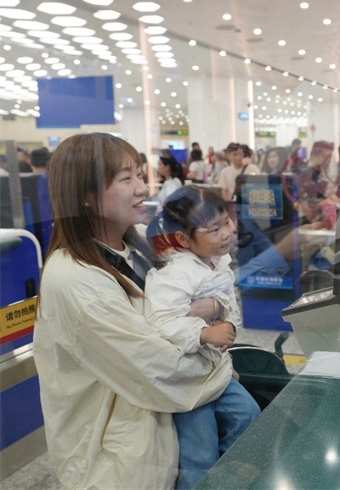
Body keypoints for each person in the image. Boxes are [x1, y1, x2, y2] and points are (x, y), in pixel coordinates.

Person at [33, 133, 232, 489]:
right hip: (121, 466)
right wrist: (218, 357)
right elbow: (161, 372)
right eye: (127, 179)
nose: (143, 188)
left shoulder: (144, 240)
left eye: (141, 175)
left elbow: (218, 279)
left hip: (168, 442)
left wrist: (216, 307)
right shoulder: (74, 279)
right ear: (86, 196)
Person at [145, 185, 260, 489]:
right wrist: (205, 332)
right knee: (200, 449)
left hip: (214, 371)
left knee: (248, 414)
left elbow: (229, 305)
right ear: (184, 238)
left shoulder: (217, 261)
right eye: (213, 229)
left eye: (226, 222)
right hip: (186, 382)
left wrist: (222, 314)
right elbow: (161, 321)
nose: (226, 233)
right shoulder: (173, 273)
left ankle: (221, 479)